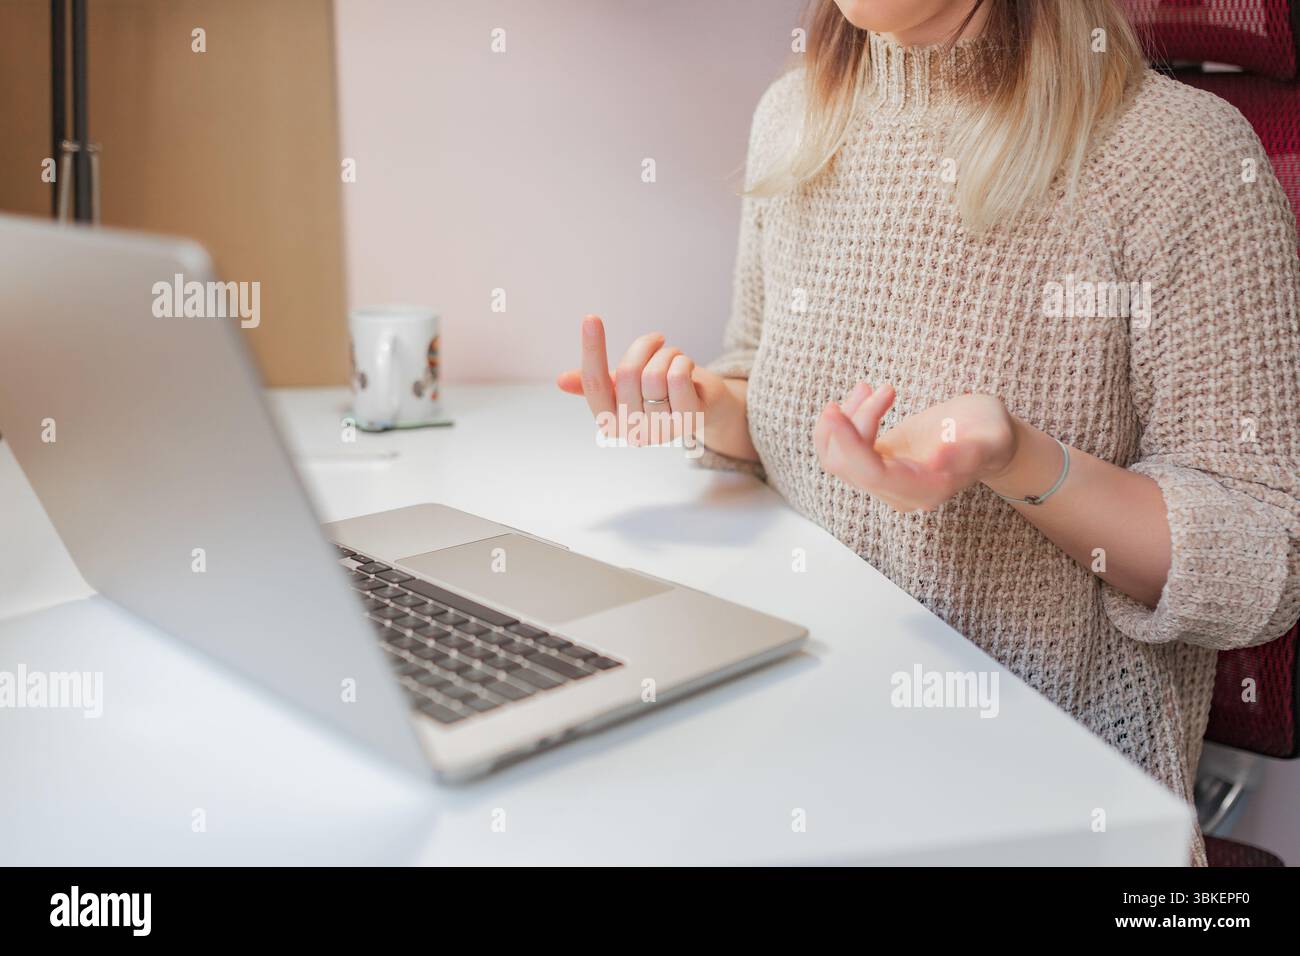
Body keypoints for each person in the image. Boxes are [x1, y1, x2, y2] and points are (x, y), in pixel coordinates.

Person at [556, 0, 1300, 865]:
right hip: (805, 746)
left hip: (1041, 811)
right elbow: (763, 370)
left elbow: (1264, 560)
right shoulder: (793, 117)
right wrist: (711, 405)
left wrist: (1020, 460)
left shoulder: (1179, 157)